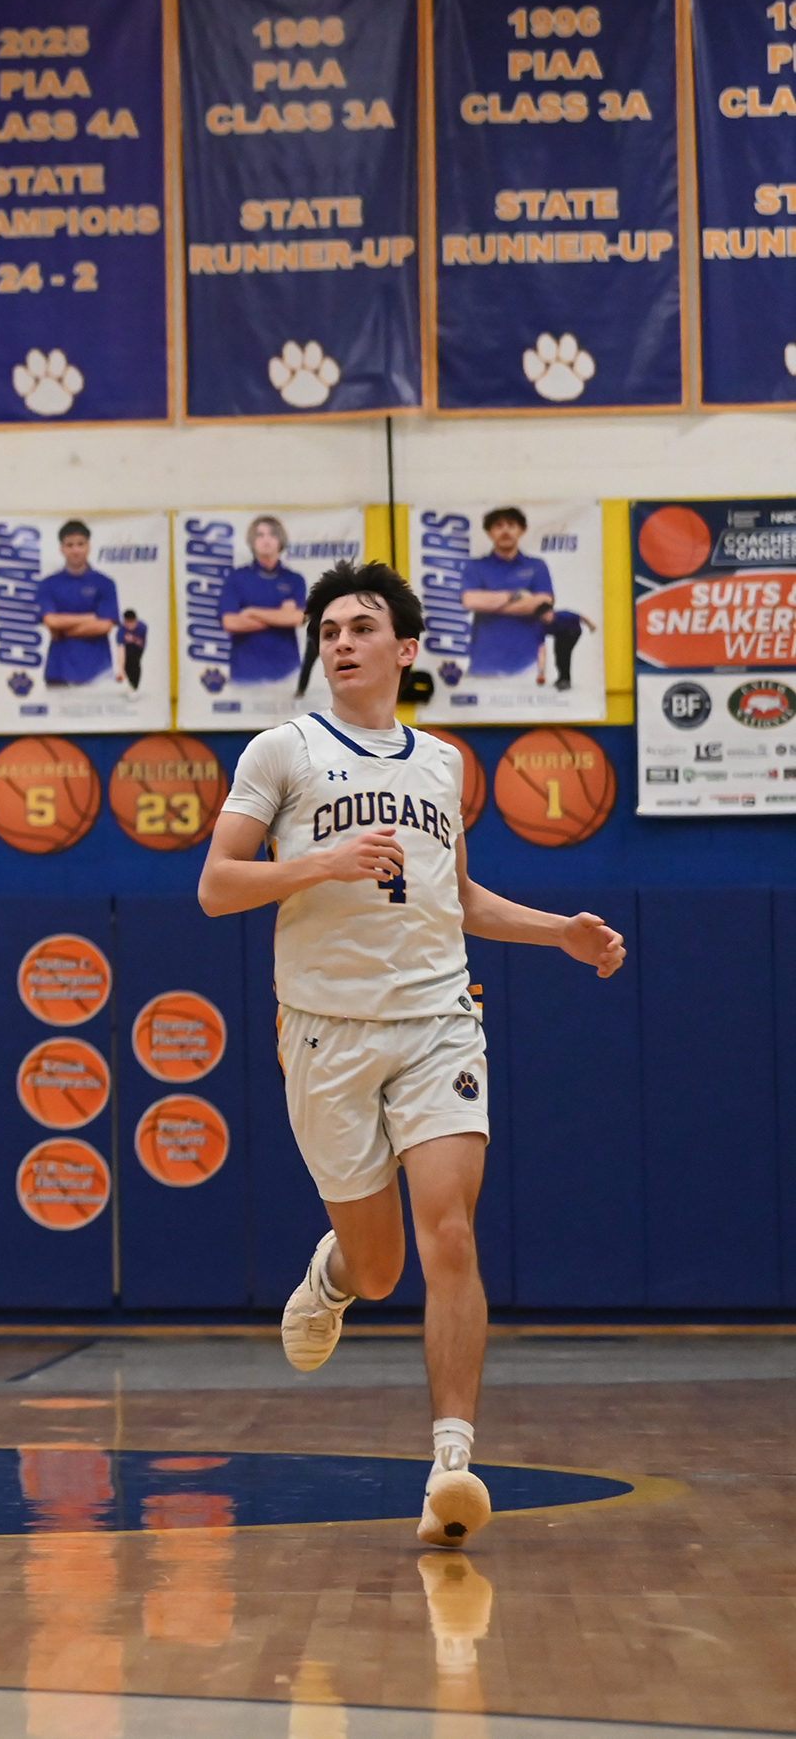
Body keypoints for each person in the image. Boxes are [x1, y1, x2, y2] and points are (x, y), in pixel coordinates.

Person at [200, 559, 625, 1549]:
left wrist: (561, 928)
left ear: (406, 647)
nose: (341, 640)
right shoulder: (283, 749)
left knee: (452, 1237)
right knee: (384, 1264)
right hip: (323, 1028)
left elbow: (459, 899)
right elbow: (218, 884)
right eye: (330, 628)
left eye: (362, 625)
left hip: (439, 1018)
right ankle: (335, 1274)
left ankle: (450, 1464)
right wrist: (321, 860)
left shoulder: (442, 763)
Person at [461, 508, 555, 679]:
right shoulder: (475, 566)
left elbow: (543, 603)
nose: (505, 530)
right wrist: (516, 595)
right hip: (484, 663)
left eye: (511, 525)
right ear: (489, 532)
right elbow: (471, 602)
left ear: (522, 531)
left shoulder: (537, 566)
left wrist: (489, 604)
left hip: (528, 664)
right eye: (498, 526)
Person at [219, 515, 308, 690]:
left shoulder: (294, 579)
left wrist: (252, 612)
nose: (266, 540)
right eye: (260, 535)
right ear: (252, 541)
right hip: (246, 671)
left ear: (280, 540)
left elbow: (297, 618)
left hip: (286, 671)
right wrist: (280, 617)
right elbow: (230, 622)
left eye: (272, 535)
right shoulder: (237, 578)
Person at [40, 521, 120, 687]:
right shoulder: (48, 584)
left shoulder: (105, 583)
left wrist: (63, 631)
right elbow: (51, 621)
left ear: (88, 547)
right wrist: (91, 618)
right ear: (62, 549)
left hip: (98, 672)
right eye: (69, 545)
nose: (75, 550)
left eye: (80, 544)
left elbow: (105, 626)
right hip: (59, 671)